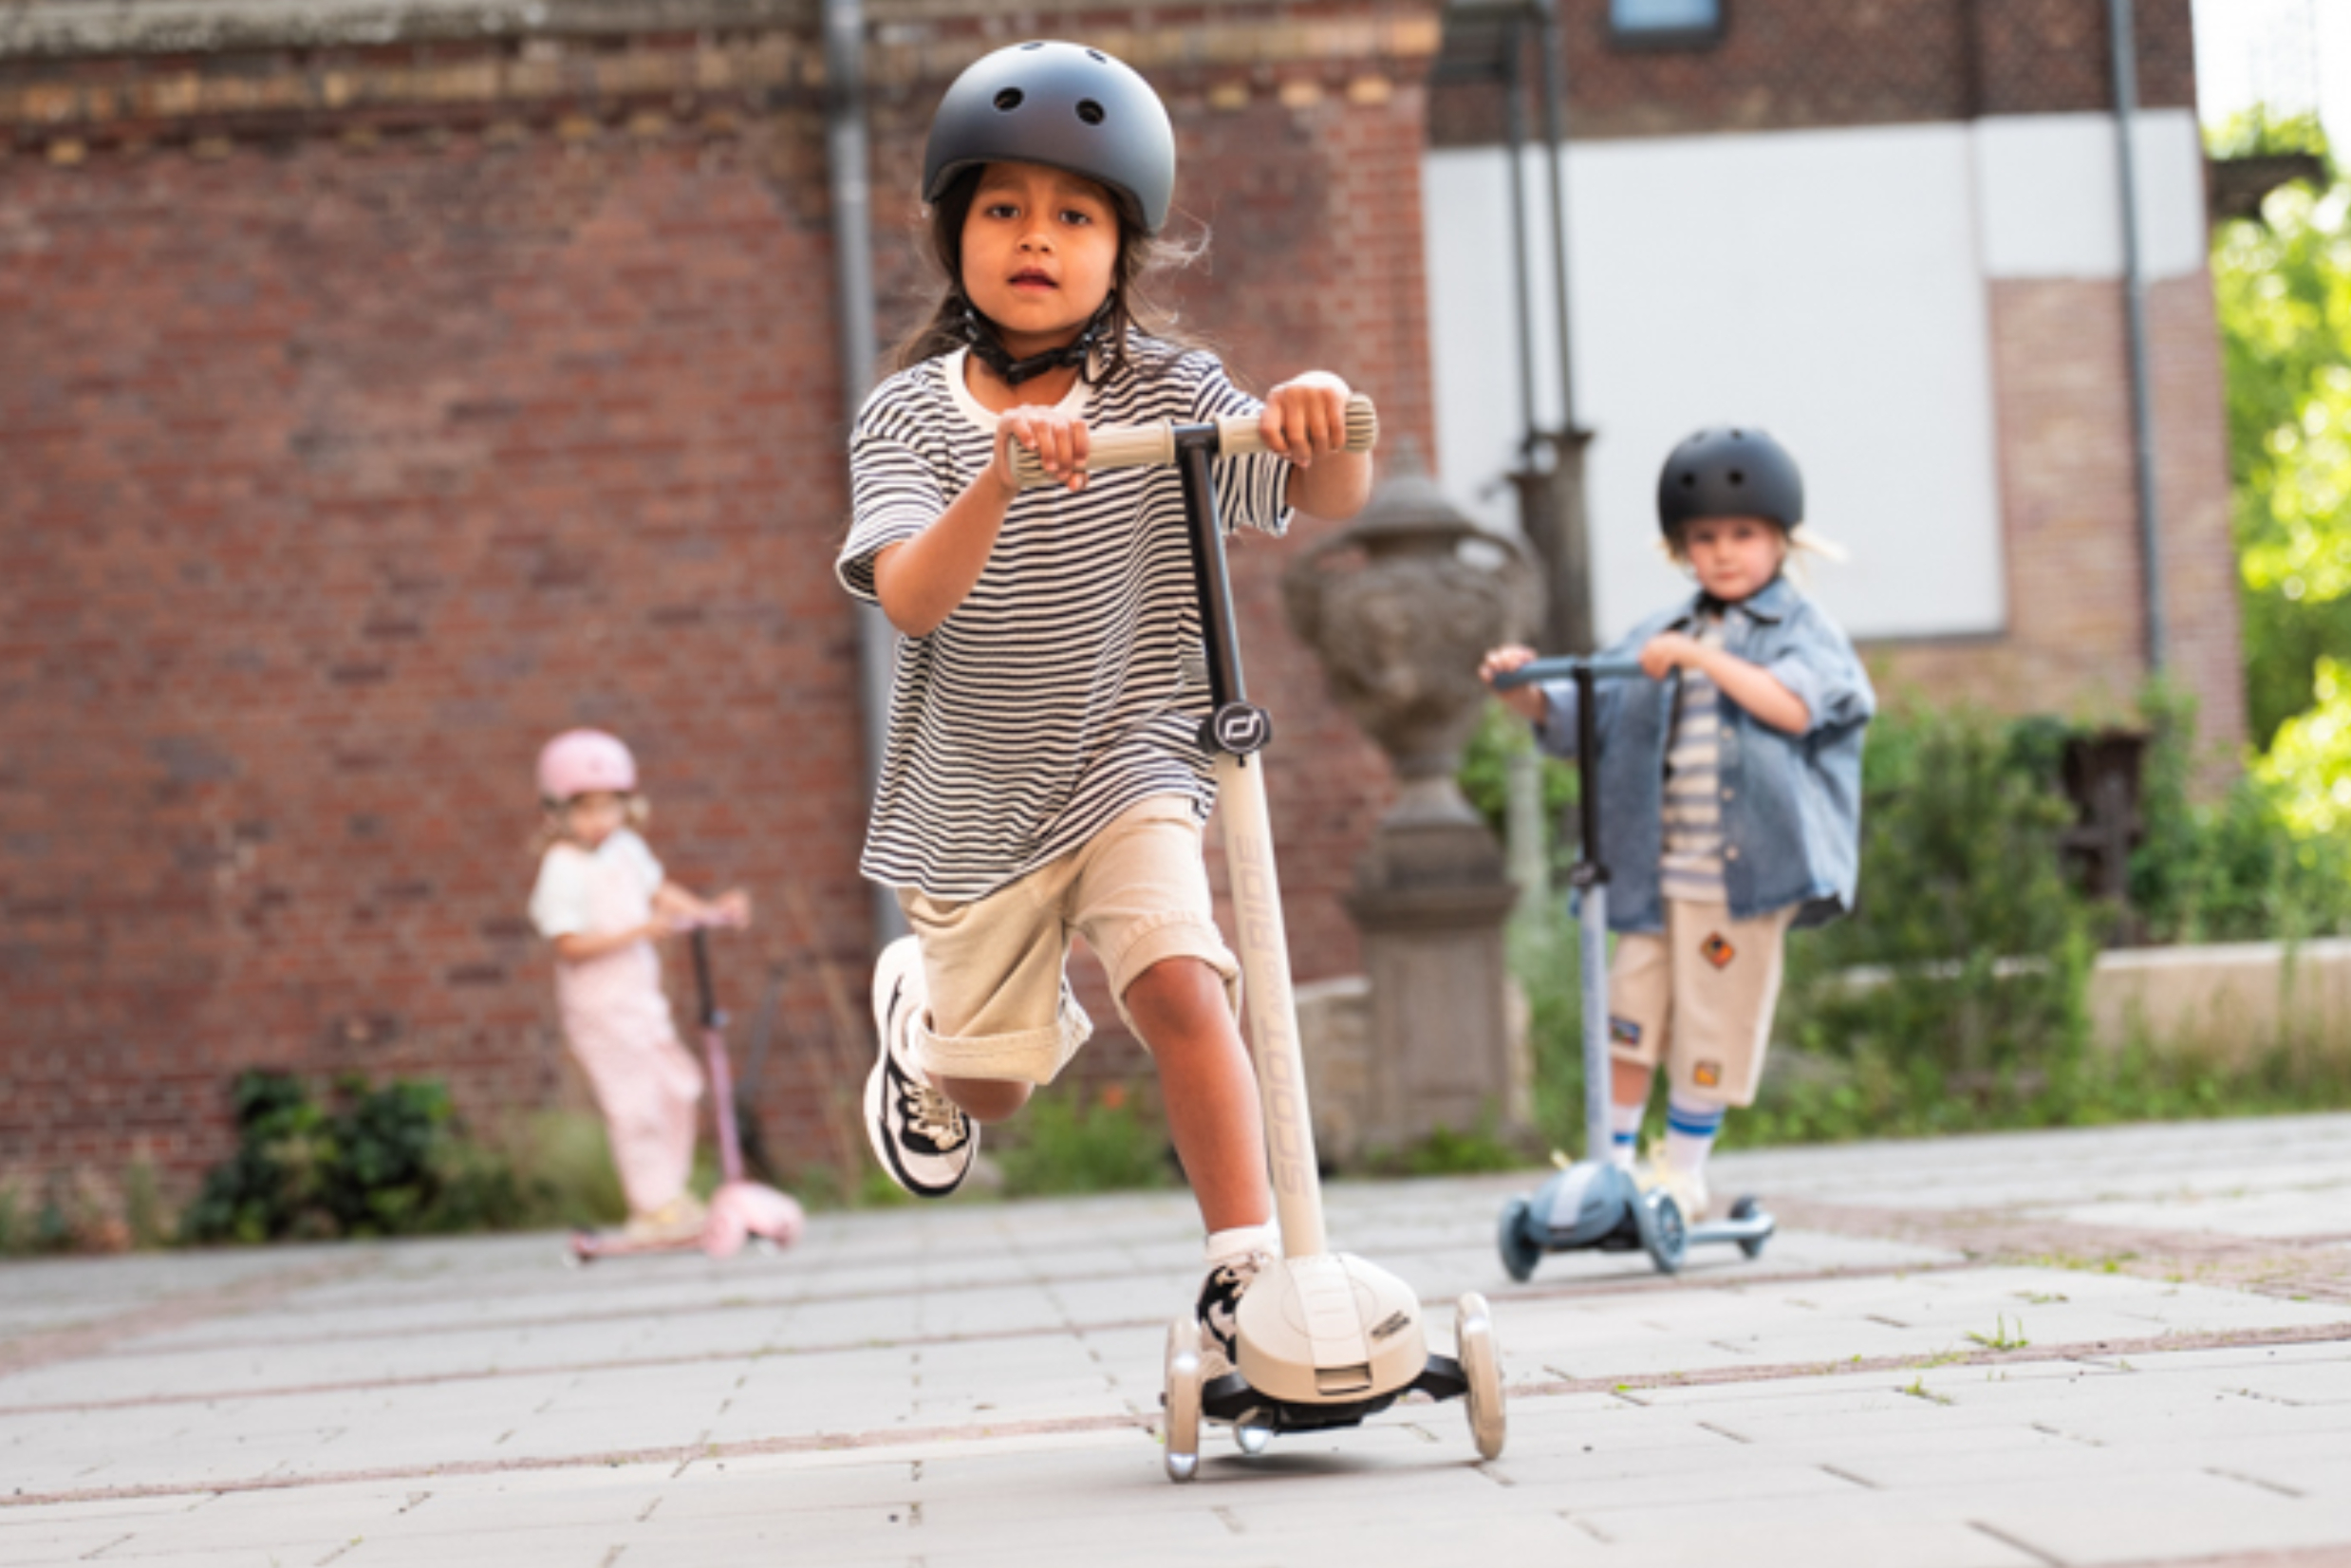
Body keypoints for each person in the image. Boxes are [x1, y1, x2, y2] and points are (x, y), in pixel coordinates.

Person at [835, 41, 1371, 1374]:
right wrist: (1000, 479)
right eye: (1004, 208)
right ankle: (922, 1028)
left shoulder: (1171, 390)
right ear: (953, 231)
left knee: (1182, 979)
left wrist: (1319, 417)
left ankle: (1245, 1268)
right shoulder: (905, 418)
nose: (1037, 237)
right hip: (971, 795)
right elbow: (910, 598)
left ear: (1121, 250)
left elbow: (1318, 495)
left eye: (1075, 215)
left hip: (1134, 755)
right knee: (993, 1086)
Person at [1479, 427, 1873, 1220]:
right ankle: (1614, 1168)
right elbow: (1581, 716)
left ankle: (1683, 1173)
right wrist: (1524, 691)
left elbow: (1796, 707)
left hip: (1743, 880)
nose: (1722, 553)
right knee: (1627, 1018)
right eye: (1704, 538)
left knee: (1712, 1023)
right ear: (1680, 548)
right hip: (1650, 876)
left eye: (1742, 534)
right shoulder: (1662, 633)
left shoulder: (1799, 631)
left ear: (1780, 538)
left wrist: (1702, 661)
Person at [528, 728, 751, 1243]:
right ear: (559, 813)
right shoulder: (562, 867)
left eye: (609, 807)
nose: (600, 821)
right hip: (600, 1008)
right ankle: (651, 1206)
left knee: (678, 1086)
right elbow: (567, 944)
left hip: (641, 1001)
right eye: (586, 810)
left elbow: (658, 890)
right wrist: (639, 932)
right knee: (635, 1104)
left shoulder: (626, 849)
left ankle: (668, 1195)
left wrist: (710, 910)